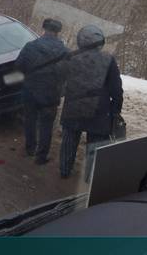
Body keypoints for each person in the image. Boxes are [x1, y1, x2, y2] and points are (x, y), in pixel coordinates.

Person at [58, 25, 124, 181]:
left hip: (74, 107)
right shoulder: (108, 60)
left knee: (69, 141)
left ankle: (64, 171)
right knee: (94, 146)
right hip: (99, 111)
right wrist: (116, 110)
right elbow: (116, 89)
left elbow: (61, 84)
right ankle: (89, 177)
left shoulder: (71, 58)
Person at [15, 18, 69, 165]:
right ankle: (41, 157)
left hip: (30, 91)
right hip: (51, 93)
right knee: (46, 125)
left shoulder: (30, 46)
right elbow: (67, 73)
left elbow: (18, 66)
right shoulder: (65, 52)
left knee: (30, 120)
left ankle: (30, 148)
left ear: (44, 29)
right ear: (58, 32)